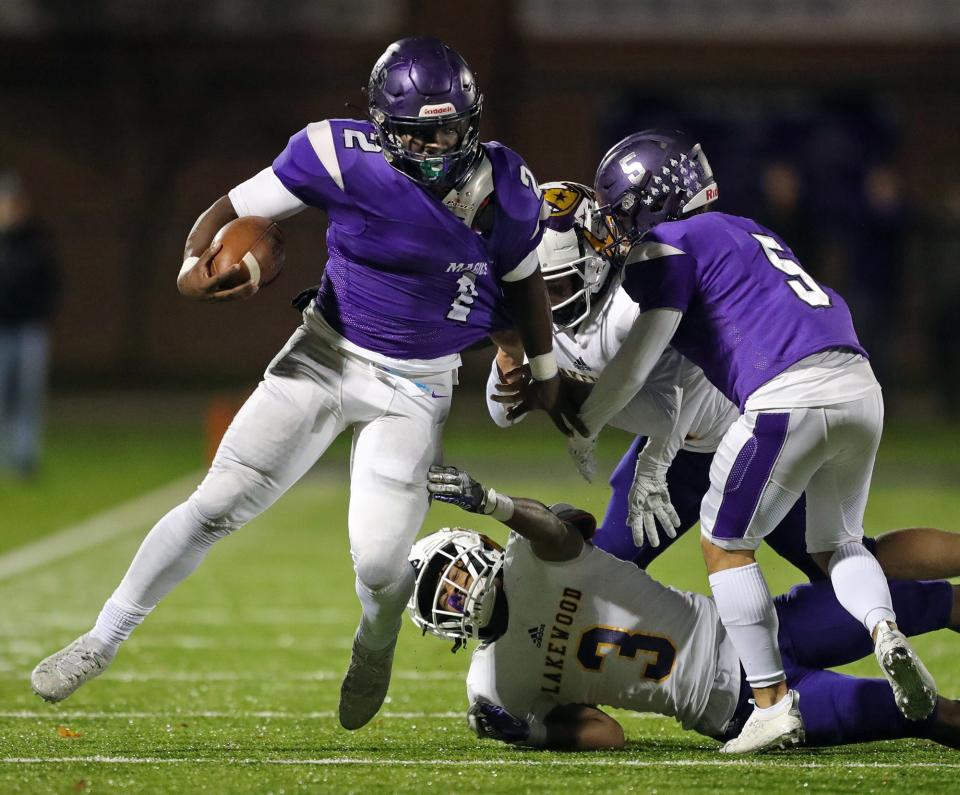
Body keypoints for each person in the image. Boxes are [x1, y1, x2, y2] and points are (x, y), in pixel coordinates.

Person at [30, 37, 581, 730]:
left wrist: (546, 371)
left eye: (450, 129)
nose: (439, 146)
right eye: (419, 133)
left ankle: (374, 645)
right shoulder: (335, 154)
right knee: (216, 502)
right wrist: (190, 270)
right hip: (322, 355)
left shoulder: (504, 189)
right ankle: (101, 637)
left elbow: (525, 287)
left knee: (381, 565)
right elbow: (223, 213)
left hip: (414, 385)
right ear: (384, 128)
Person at [549, 129, 936, 753]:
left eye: (620, 207)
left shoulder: (667, 246)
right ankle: (883, 628)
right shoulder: (744, 227)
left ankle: (770, 703)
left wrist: (586, 422)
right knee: (838, 544)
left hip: (785, 395)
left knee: (724, 545)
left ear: (648, 202)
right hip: (861, 383)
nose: (615, 223)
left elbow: (639, 360)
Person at [490, 181, 960, 584]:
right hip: (694, 444)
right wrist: (512, 349)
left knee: (838, 560)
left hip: (742, 439)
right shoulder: (540, 319)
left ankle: (947, 607)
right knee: (600, 573)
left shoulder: (633, 298)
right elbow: (500, 411)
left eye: (551, 287)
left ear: (594, 262)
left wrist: (647, 458)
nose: (541, 303)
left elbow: (685, 387)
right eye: (528, 288)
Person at [415, 464, 960, 752]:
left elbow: (553, 529)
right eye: (442, 594)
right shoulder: (493, 686)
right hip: (739, 708)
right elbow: (609, 734)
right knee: (926, 714)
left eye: (452, 571)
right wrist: (530, 735)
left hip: (763, 625)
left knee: (931, 599)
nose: (456, 591)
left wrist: (491, 501)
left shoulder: (536, 557)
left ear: (480, 544)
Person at [0, 172, 59, 478]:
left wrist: (42, 311)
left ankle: (24, 459)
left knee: (27, 397)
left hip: (29, 329)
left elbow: (51, 282)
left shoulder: (35, 240)